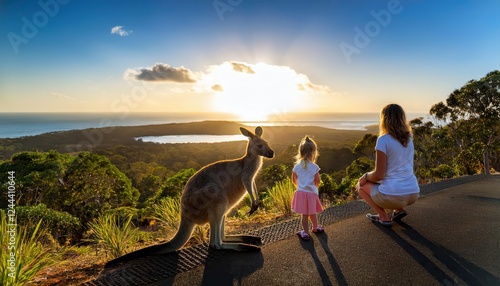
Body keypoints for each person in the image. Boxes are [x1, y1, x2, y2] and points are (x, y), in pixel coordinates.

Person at [357, 104, 420, 227]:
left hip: (394, 196)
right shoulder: (409, 137)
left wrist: (365, 176)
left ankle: (383, 216)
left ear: (384, 119)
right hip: (413, 193)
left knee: (360, 185)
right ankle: (398, 210)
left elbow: (379, 175)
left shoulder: (383, 140)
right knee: (390, 183)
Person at [291, 135, 324, 240]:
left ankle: (305, 232)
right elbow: (317, 180)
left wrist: (300, 186)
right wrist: (314, 187)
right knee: (312, 212)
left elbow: (294, 180)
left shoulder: (297, 166)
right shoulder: (314, 167)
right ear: (314, 152)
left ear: (300, 151)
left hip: (301, 193)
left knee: (304, 215)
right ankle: (315, 227)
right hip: (312, 194)